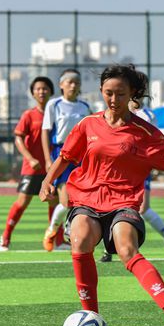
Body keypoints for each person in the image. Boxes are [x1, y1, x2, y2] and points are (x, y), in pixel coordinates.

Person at [41, 64, 164, 326]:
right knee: (80, 241)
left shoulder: (145, 133)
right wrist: (47, 181)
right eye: (108, 93)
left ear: (132, 94)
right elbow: (65, 157)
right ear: (101, 92)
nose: (113, 100)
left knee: (126, 249)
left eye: (120, 94)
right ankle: (91, 319)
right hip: (87, 198)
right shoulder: (88, 124)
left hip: (124, 202)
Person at [99, 104, 164, 263]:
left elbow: (153, 143)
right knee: (109, 204)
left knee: (143, 208)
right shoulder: (112, 112)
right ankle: (107, 249)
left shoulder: (148, 115)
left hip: (139, 168)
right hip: (116, 167)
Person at [0, 76, 55, 251]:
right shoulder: (29, 115)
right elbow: (18, 139)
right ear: (32, 93)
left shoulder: (56, 114)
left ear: (51, 92)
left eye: (45, 88)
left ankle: (55, 240)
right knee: (22, 202)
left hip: (52, 167)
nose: (41, 91)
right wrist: (30, 159)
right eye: (38, 89)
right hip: (32, 168)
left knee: (54, 202)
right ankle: (5, 237)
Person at [41, 69, 92, 251]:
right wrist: (48, 159)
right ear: (61, 85)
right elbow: (46, 131)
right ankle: (53, 230)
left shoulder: (85, 107)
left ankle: (70, 232)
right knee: (66, 200)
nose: (73, 85)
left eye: (76, 82)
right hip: (61, 153)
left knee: (82, 200)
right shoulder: (54, 105)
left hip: (81, 156)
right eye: (69, 82)